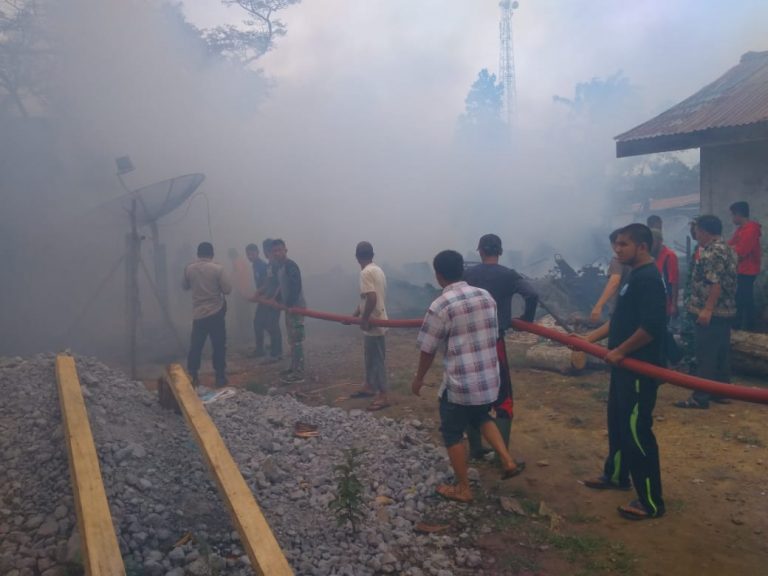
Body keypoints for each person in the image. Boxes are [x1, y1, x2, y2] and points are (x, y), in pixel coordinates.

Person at [412, 250, 524, 504]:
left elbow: (427, 348)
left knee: (452, 433)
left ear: (439, 275)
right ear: (462, 270)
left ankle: (463, 488)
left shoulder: (441, 305)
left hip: (460, 384)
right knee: (481, 416)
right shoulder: (486, 297)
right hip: (487, 379)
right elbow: (494, 335)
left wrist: (418, 379)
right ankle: (507, 461)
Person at [580, 224, 666, 520]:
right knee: (617, 422)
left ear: (642, 246)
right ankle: (615, 475)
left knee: (636, 431)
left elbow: (652, 327)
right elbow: (618, 321)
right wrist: (587, 341)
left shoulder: (650, 279)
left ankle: (650, 502)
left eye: (623, 244)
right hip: (622, 368)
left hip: (639, 370)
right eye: (616, 244)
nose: (617, 250)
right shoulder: (633, 275)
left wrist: (620, 351)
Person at [463, 233, 538, 459]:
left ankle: (476, 448)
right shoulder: (509, 275)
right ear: (500, 252)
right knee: (503, 397)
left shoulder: (468, 274)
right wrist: (527, 319)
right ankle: (500, 453)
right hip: (494, 343)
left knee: (471, 394)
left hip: (469, 343)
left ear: (480, 251)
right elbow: (532, 293)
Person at [675, 215, 737, 409]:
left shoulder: (711, 253)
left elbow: (714, 283)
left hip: (712, 312)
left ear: (704, 231)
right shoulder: (727, 249)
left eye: (697, 230)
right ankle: (721, 391)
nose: (696, 235)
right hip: (725, 311)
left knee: (705, 354)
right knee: (720, 352)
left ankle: (700, 397)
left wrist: (707, 310)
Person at [183, 242, 232, 388]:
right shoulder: (218, 269)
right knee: (218, 345)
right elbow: (227, 290)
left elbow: (184, 286)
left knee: (196, 346)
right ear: (212, 253)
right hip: (216, 312)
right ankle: (220, 377)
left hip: (198, 314)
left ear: (198, 254)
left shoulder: (189, 269)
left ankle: (193, 375)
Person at [350, 241, 390, 411]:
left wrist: (365, 319)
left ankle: (383, 395)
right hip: (377, 318)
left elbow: (372, 298)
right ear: (372, 255)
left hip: (374, 322)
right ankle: (369, 386)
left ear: (357, 257)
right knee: (370, 357)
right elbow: (365, 299)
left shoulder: (365, 273)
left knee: (376, 359)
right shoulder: (377, 270)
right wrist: (354, 316)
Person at [271, 239, 306, 384]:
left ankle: (299, 372)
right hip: (288, 308)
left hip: (295, 307)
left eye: (280, 250)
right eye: (275, 251)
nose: (278, 253)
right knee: (291, 339)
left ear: (285, 250)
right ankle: (293, 367)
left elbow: (295, 286)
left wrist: (290, 305)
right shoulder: (280, 267)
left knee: (297, 340)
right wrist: (278, 300)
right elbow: (282, 286)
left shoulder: (291, 265)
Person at [728, 201, 762, 331]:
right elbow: (731, 245)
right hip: (742, 268)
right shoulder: (741, 230)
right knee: (742, 297)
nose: (732, 218)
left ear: (738, 214)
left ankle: (747, 327)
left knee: (744, 299)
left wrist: (731, 249)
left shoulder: (750, 230)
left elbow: (741, 251)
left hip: (748, 269)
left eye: (732, 215)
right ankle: (743, 326)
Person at [590, 229, 631, 324]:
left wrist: (598, 306)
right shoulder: (636, 259)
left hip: (620, 307)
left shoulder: (617, 260)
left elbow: (614, 282)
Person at [245, 243, 269, 357]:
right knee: (262, 323)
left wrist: (257, 294)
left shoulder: (262, 265)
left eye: (252, 254)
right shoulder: (255, 265)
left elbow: (267, 283)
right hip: (262, 298)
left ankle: (263, 350)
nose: (250, 256)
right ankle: (266, 348)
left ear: (257, 253)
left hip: (267, 298)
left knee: (259, 323)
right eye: (248, 254)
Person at [651, 230, 679, 319]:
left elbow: (674, 281)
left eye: (652, 242)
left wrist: (674, 305)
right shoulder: (651, 257)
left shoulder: (669, 256)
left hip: (665, 304)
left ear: (660, 241)